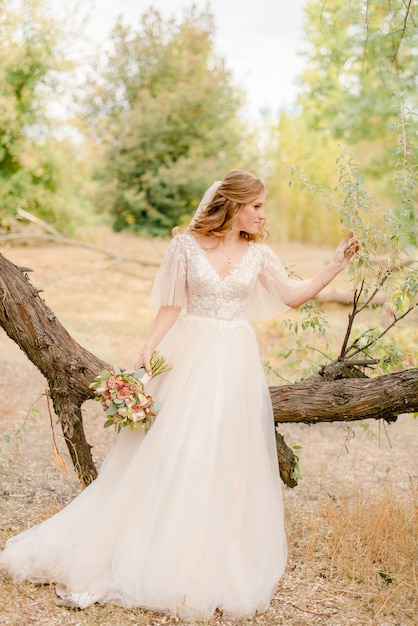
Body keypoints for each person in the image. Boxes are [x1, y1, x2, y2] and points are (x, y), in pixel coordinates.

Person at [0, 169, 356, 621]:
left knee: (226, 454)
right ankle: (158, 544)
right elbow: (172, 305)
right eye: (257, 206)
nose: (263, 214)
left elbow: (292, 295)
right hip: (191, 354)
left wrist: (335, 264)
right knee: (177, 448)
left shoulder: (259, 254)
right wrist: (149, 345)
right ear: (233, 204)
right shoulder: (184, 246)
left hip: (235, 362)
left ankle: (212, 549)